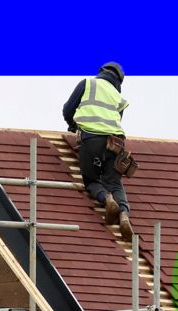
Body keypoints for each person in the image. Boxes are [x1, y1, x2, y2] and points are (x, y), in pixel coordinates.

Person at [62, 62, 133, 242]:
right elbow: (116, 122)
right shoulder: (118, 97)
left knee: (92, 180)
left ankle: (106, 199)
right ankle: (124, 214)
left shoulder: (87, 83)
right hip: (116, 142)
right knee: (114, 181)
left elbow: (68, 109)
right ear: (119, 80)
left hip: (92, 139)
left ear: (101, 72)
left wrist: (73, 125)